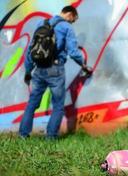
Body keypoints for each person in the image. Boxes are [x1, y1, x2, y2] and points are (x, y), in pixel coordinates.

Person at [19, 6, 92, 139]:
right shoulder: (67, 27)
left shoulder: (41, 23)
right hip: (55, 70)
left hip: (39, 69)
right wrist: (84, 65)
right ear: (70, 14)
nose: (72, 23)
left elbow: (31, 49)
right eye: (73, 20)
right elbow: (73, 52)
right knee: (58, 105)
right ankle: (51, 137)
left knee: (32, 103)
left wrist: (28, 70)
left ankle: (23, 135)